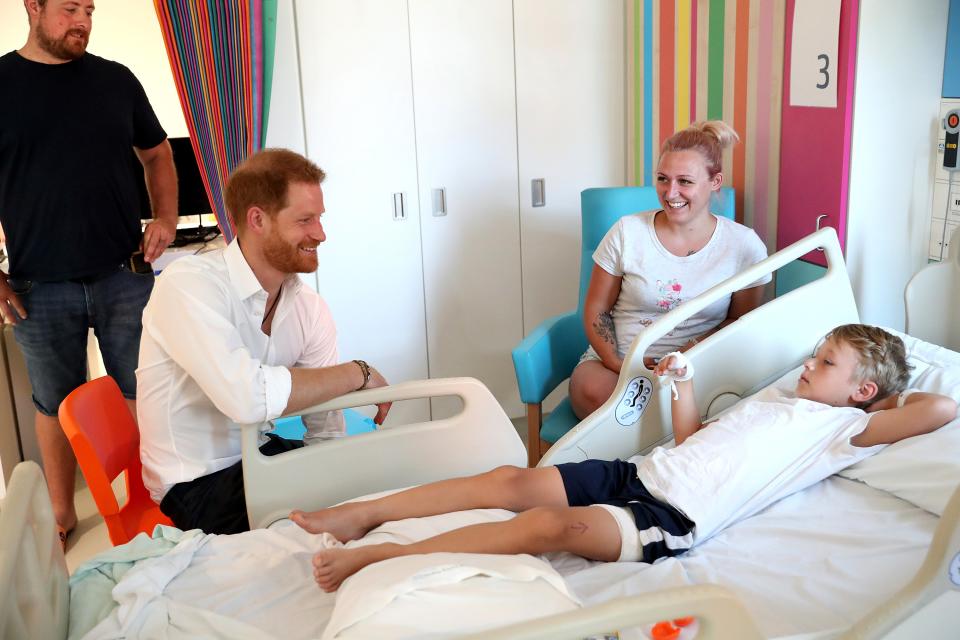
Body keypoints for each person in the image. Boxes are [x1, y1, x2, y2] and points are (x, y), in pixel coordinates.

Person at [289, 324, 957, 592]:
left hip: (672, 515)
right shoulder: (777, 403)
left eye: (826, 362)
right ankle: (361, 513)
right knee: (509, 479)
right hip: (643, 471)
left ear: (863, 390)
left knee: (546, 529)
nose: (809, 365)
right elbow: (695, 441)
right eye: (813, 355)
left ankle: (380, 556)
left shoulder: (838, 430)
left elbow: (940, 410)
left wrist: (876, 405)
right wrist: (685, 387)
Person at [137, 148, 392, 535]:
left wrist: (343, 475)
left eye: (320, 219)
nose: (321, 235)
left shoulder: (307, 307)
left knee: (384, 490)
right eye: (305, 220)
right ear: (257, 219)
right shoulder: (188, 286)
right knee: (348, 521)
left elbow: (326, 427)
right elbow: (247, 399)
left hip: (261, 456)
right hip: (197, 482)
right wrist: (359, 373)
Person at [0, 0, 178, 545]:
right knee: (54, 404)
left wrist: (167, 218)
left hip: (124, 274)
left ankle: (158, 496)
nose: (82, 20)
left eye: (90, 10)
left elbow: (158, 153)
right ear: (34, 7)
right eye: (70, 9)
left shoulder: (115, 80)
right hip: (37, 285)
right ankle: (62, 513)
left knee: (144, 389)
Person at [569, 121, 770, 420]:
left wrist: (687, 356)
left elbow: (738, 321)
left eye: (685, 181)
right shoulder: (627, 232)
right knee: (601, 395)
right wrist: (619, 363)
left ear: (715, 181)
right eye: (663, 179)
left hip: (697, 366)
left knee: (718, 406)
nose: (670, 192)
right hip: (617, 367)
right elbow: (597, 308)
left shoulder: (743, 246)